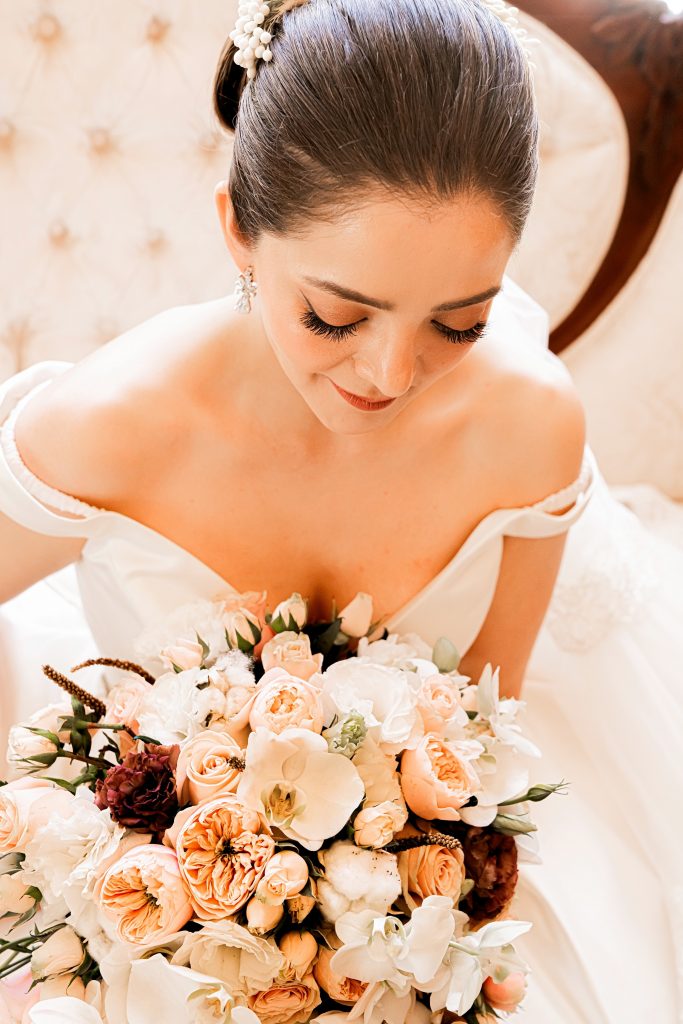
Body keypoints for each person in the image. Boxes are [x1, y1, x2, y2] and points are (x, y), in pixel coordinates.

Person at [0, 0, 681, 1019]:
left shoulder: (527, 424)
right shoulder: (112, 422)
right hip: (154, 898)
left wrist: (383, 909)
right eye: (332, 314)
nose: (390, 371)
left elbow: (490, 729)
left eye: (460, 323)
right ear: (237, 226)